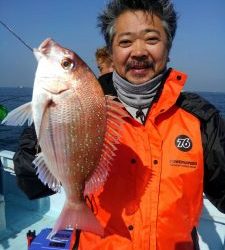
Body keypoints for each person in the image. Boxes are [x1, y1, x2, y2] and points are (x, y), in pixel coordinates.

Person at [13, 0, 225, 249]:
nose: (138, 51)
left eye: (152, 39)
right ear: (111, 52)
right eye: (125, 42)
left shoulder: (201, 118)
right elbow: (30, 184)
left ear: (169, 47)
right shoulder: (87, 103)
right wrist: (51, 133)